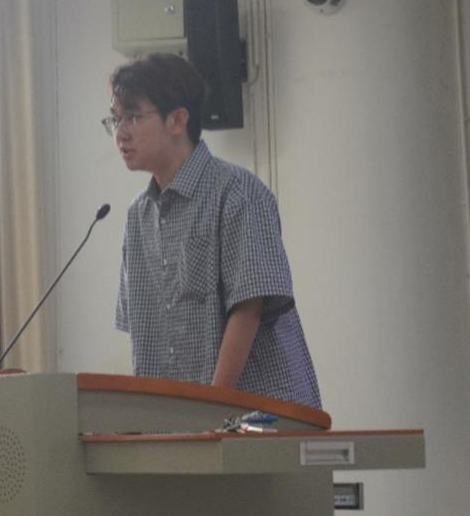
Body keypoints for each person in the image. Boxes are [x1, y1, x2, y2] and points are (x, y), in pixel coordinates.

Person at [106, 52, 321, 408]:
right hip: (185, 423)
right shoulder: (137, 216)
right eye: (115, 120)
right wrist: (143, 420)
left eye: (133, 117)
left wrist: (211, 410)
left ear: (178, 120)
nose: (120, 134)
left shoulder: (236, 191)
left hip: (262, 414)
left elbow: (248, 310)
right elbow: (144, 333)